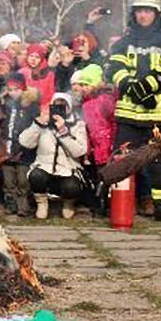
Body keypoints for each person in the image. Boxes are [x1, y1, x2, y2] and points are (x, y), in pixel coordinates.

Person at [105, 0, 161, 221]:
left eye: (147, 11)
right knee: (121, 162)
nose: (143, 15)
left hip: (160, 114)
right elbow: (114, 70)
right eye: (139, 10)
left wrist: (146, 86)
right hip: (129, 115)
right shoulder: (122, 43)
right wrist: (134, 89)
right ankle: (116, 207)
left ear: (157, 13)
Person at [19, 92, 88, 219]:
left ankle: (68, 204)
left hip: (68, 169)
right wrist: (38, 124)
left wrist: (63, 132)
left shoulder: (78, 124)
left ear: (70, 107)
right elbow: (24, 142)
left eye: (64, 106)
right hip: (44, 166)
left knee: (72, 187)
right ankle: (42, 203)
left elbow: (80, 151)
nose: (60, 109)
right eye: (56, 106)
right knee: (36, 176)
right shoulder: (44, 123)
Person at [70, 64, 116, 216]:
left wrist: (114, 144)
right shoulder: (86, 103)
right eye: (81, 84)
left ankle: (107, 206)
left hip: (106, 145)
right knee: (97, 177)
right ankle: (99, 205)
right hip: (94, 147)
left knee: (107, 177)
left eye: (86, 84)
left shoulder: (106, 100)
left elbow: (114, 122)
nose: (82, 88)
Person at [0, 73, 39, 218]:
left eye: (16, 89)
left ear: (23, 89)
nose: (13, 93)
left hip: (24, 149)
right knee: (8, 180)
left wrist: (26, 146)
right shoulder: (5, 106)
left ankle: (24, 206)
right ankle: (11, 204)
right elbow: (1, 124)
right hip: (7, 147)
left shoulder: (31, 106)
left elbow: (34, 128)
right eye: (10, 90)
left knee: (23, 180)